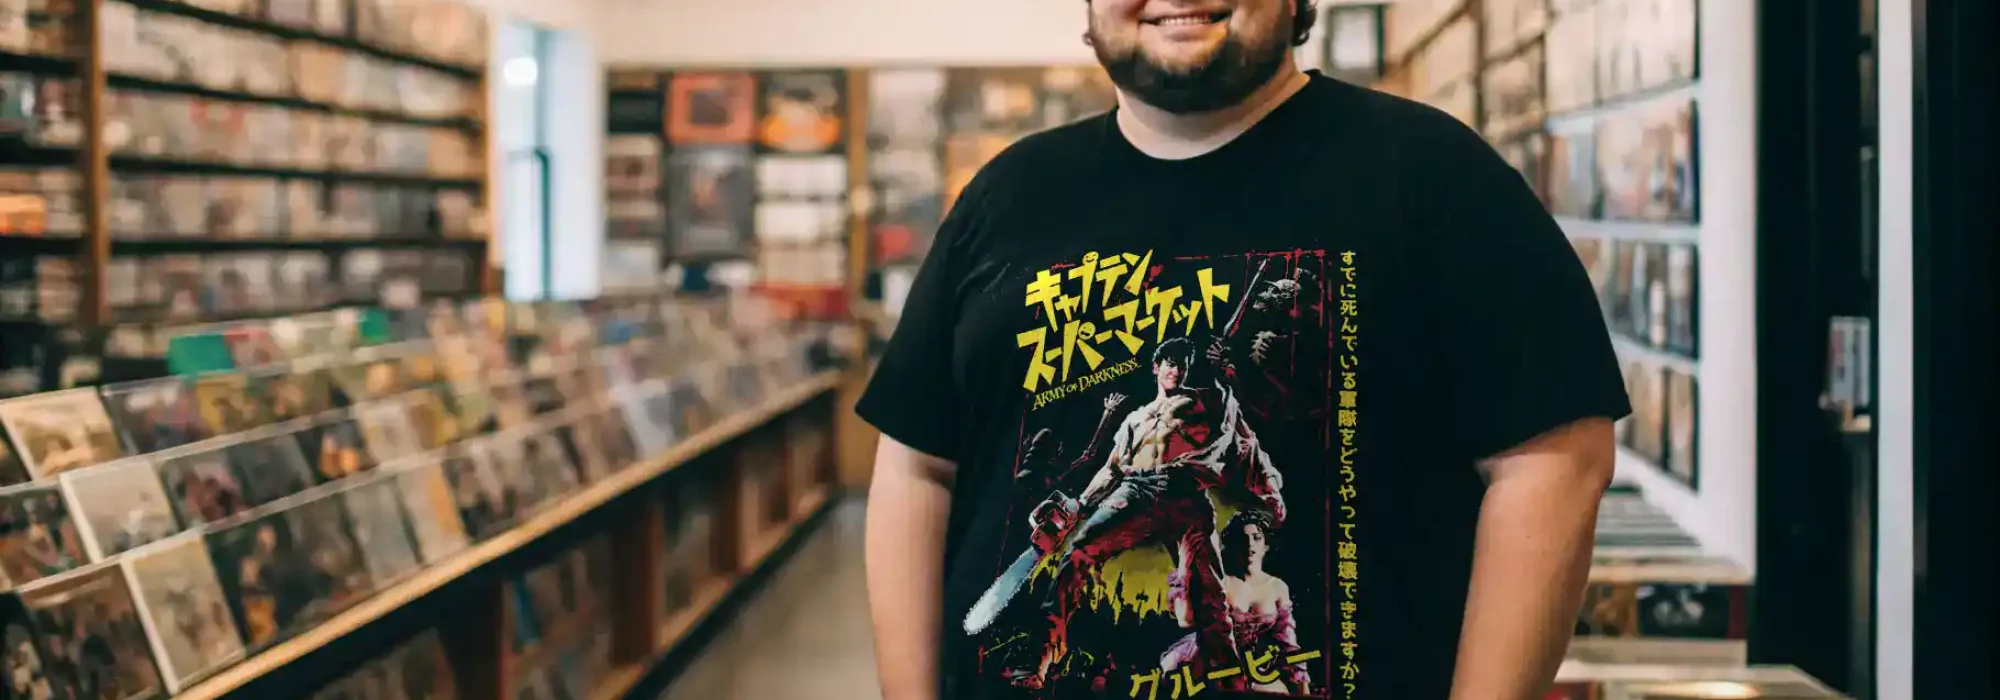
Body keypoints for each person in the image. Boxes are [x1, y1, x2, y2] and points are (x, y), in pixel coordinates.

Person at [858, 1, 1630, 698]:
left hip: (1212, 524)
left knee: (1203, 576)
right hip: (1113, 546)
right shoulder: (1004, 198)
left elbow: (1555, 463)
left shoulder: (1435, 176)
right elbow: (917, 465)